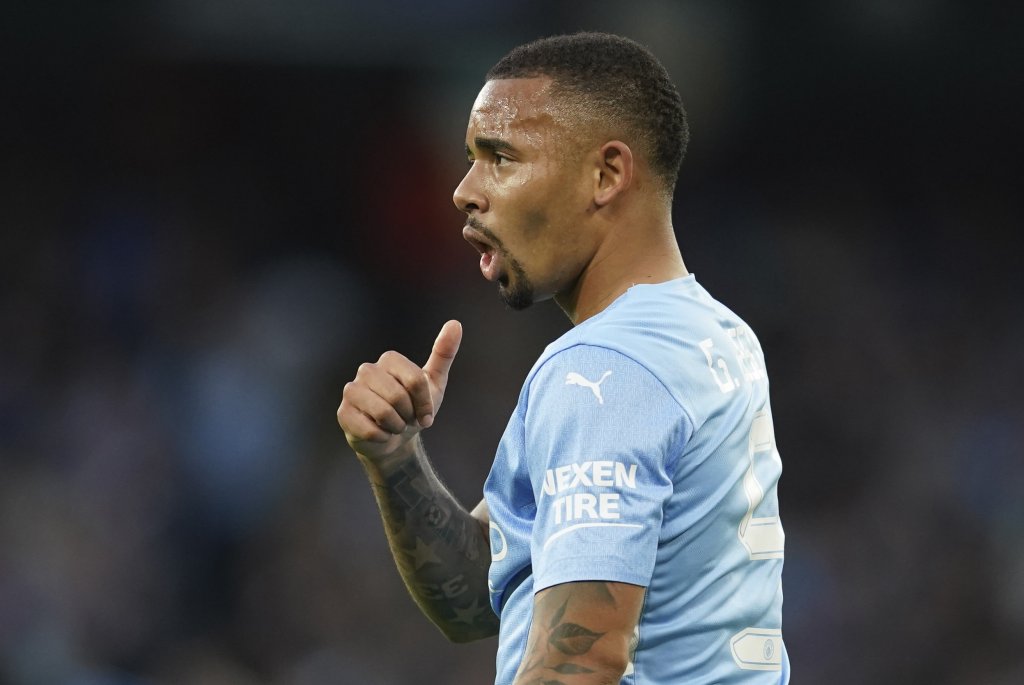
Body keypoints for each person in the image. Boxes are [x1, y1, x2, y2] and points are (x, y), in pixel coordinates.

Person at [337, 32, 788, 684]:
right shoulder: (717, 335)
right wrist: (396, 457)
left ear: (605, 175)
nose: (463, 190)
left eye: (500, 157)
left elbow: (581, 659)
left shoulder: (604, 368)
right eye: (470, 158)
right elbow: (479, 599)